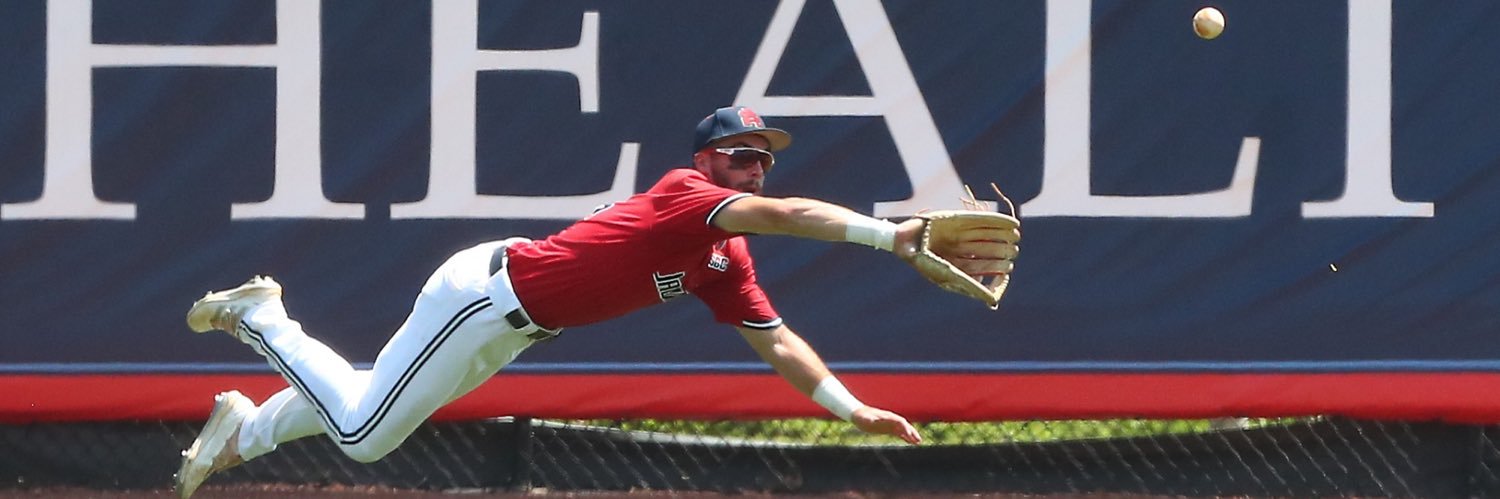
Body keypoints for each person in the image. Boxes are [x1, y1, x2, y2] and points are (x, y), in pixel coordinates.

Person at [173, 106, 951, 497]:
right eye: (741, 156)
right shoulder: (687, 193)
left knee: (372, 401)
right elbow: (791, 215)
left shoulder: (724, 259)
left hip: (509, 327)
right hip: (485, 296)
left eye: (762, 160)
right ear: (706, 160)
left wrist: (851, 408)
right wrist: (889, 238)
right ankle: (261, 318)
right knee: (366, 437)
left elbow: (777, 340)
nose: (755, 169)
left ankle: (251, 426)